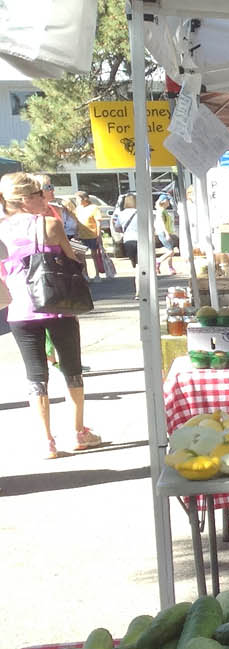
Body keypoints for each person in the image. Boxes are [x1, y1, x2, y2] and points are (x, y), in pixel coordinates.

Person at [0, 173, 101, 459]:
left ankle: (47, 441)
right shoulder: (50, 225)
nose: (45, 198)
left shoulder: (1, 231)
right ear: (25, 199)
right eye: (39, 193)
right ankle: (78, 432)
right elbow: (72, 260)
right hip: (58, 305)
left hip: (19, 309)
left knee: (35, 375)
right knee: (71, 368)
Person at [72, 194, 113, 280]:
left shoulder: (93, 208)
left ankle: (97, 274)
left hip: (92, 235)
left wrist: (98, 235)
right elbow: (76, 222)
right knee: (81, 256)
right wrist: (76, 233)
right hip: (81, 235)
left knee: (94, 255)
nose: (77, 201)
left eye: (78, 198)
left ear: (85, 199)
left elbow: (98, 222)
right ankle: (86, 274)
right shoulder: (78, 209)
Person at [154, 195, 179, 276]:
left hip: (166, 232)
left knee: (170, 250)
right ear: (164, 201)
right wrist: (167, 233)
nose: (169, 202)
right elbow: (161, 223)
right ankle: (158, 262)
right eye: (168, 200)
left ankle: (170, 267)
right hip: (164, 233)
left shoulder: (163, 210)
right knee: (170, 251)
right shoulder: (161, 211)